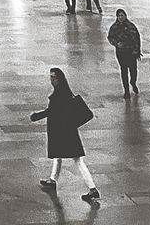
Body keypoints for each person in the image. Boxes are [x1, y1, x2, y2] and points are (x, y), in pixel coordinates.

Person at [31, 67, 100, 203]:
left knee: (78, 161)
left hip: (64, 133)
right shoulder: (63, 92)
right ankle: (52, 179)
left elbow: (50, 111)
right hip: (64, 131)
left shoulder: (60, 95)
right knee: (58, 156)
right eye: (51, 77)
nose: (52, 80)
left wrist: (36, 116)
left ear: (59, 79)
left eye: (54, 77)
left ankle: (93, 189)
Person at [106, 8, 141, 96]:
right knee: (124, 70)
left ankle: (133, 82)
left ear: (125, 16)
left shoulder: (131, 26)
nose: (120, 17)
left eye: (122, 15)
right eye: (119, 16)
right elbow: (110, 37)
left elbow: (137, 38)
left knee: (133, 70)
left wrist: (137, 50)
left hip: (131, 51)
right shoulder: (114, 27)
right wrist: (116, 44)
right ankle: (126, 91)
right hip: (121, 52)